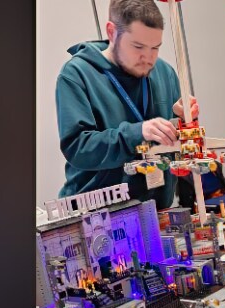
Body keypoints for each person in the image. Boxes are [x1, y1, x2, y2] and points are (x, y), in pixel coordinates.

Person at [56, 0, 199, 209]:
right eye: (138, 47)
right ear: (112, 32)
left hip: (156, 210)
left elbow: (179, 149)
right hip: (99, 215)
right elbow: (78, 148)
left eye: (155, 48)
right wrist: (137, 133)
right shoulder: (77, 75)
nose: (148, 58)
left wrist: (183, 121)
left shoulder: (165, 73)